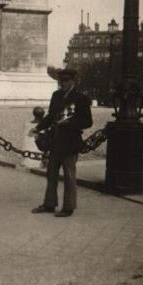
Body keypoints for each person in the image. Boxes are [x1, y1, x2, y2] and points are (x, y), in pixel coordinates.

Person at [32, 69, 92, 217]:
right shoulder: (56, 95)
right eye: (61, 81)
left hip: (70, 142)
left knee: (69, 175)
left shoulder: (81, 98)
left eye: (65, 81)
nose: (62, 84)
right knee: (51, 173)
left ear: (72, 81)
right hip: (56, 140)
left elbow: (87, 122)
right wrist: (38, 127)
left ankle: (68, 207)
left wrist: (70, 123)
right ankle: (49, 204)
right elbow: (51, 116)